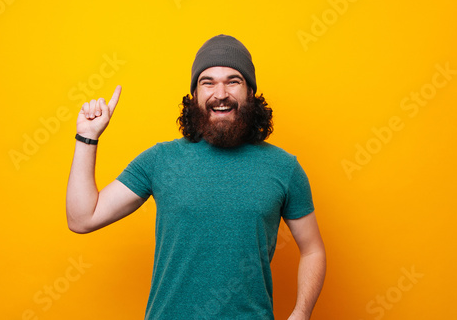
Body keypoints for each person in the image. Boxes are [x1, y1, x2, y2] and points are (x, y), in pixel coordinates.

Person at [66, 34, 326, 320]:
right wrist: (86, 137)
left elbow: (312, 250)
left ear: (250, 93)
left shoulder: (284, 168)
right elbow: (82, 218)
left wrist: (301, 313)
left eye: (233, 81)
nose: (221, 93)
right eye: (208, 82)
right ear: (194, 96)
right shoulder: (161, 160)